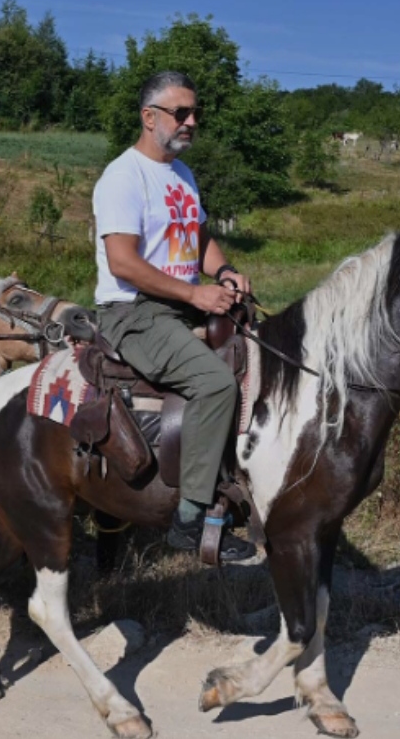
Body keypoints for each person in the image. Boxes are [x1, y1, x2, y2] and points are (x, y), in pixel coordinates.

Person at [92, 71, 256, 563]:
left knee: (261, 359)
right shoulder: (122, 177)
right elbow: (122, 262)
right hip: (134, 311)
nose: (191, 122)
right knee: (215, 384)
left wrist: (224, 272)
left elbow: (199, 239)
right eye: (180, 113)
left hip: (182, 300)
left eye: (194, 114)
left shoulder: (183, 175)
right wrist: (195, 295)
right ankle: (191, 520)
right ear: (149, 117)